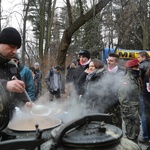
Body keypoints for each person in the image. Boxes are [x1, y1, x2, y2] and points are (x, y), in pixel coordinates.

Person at [0, 27, 32, 132]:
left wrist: (25, 102)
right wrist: (5, 85)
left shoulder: (12, 64)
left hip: (9, 120)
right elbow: (7, 86)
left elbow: (18, 91)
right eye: (12, 46)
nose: (14, 51)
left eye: (17, 48)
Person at [118, 59, 141, 143]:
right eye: (136, 67)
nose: (138, 69)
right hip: (130, 111)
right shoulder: (126, 81)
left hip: (135, 109)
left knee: (136, 131)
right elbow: (123, 98)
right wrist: (128, 113)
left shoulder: (134, 79)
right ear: (130, 69)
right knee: (132, 133)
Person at [103, 53, 125, 129]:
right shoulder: (102, 71)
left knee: (116, 125)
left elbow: (124, 89)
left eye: (111, 61)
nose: (108, 62)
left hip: (116, 105)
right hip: (104, 103)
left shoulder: (123, 73)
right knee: (104, 126)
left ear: (116, 62)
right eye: (108, 60)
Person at [138, 51, 150, 144]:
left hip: (144, 93)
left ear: (143, 57)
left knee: (144, 115)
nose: (138, 59)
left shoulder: (141, 66)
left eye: (139, 57)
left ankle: (146, 137)